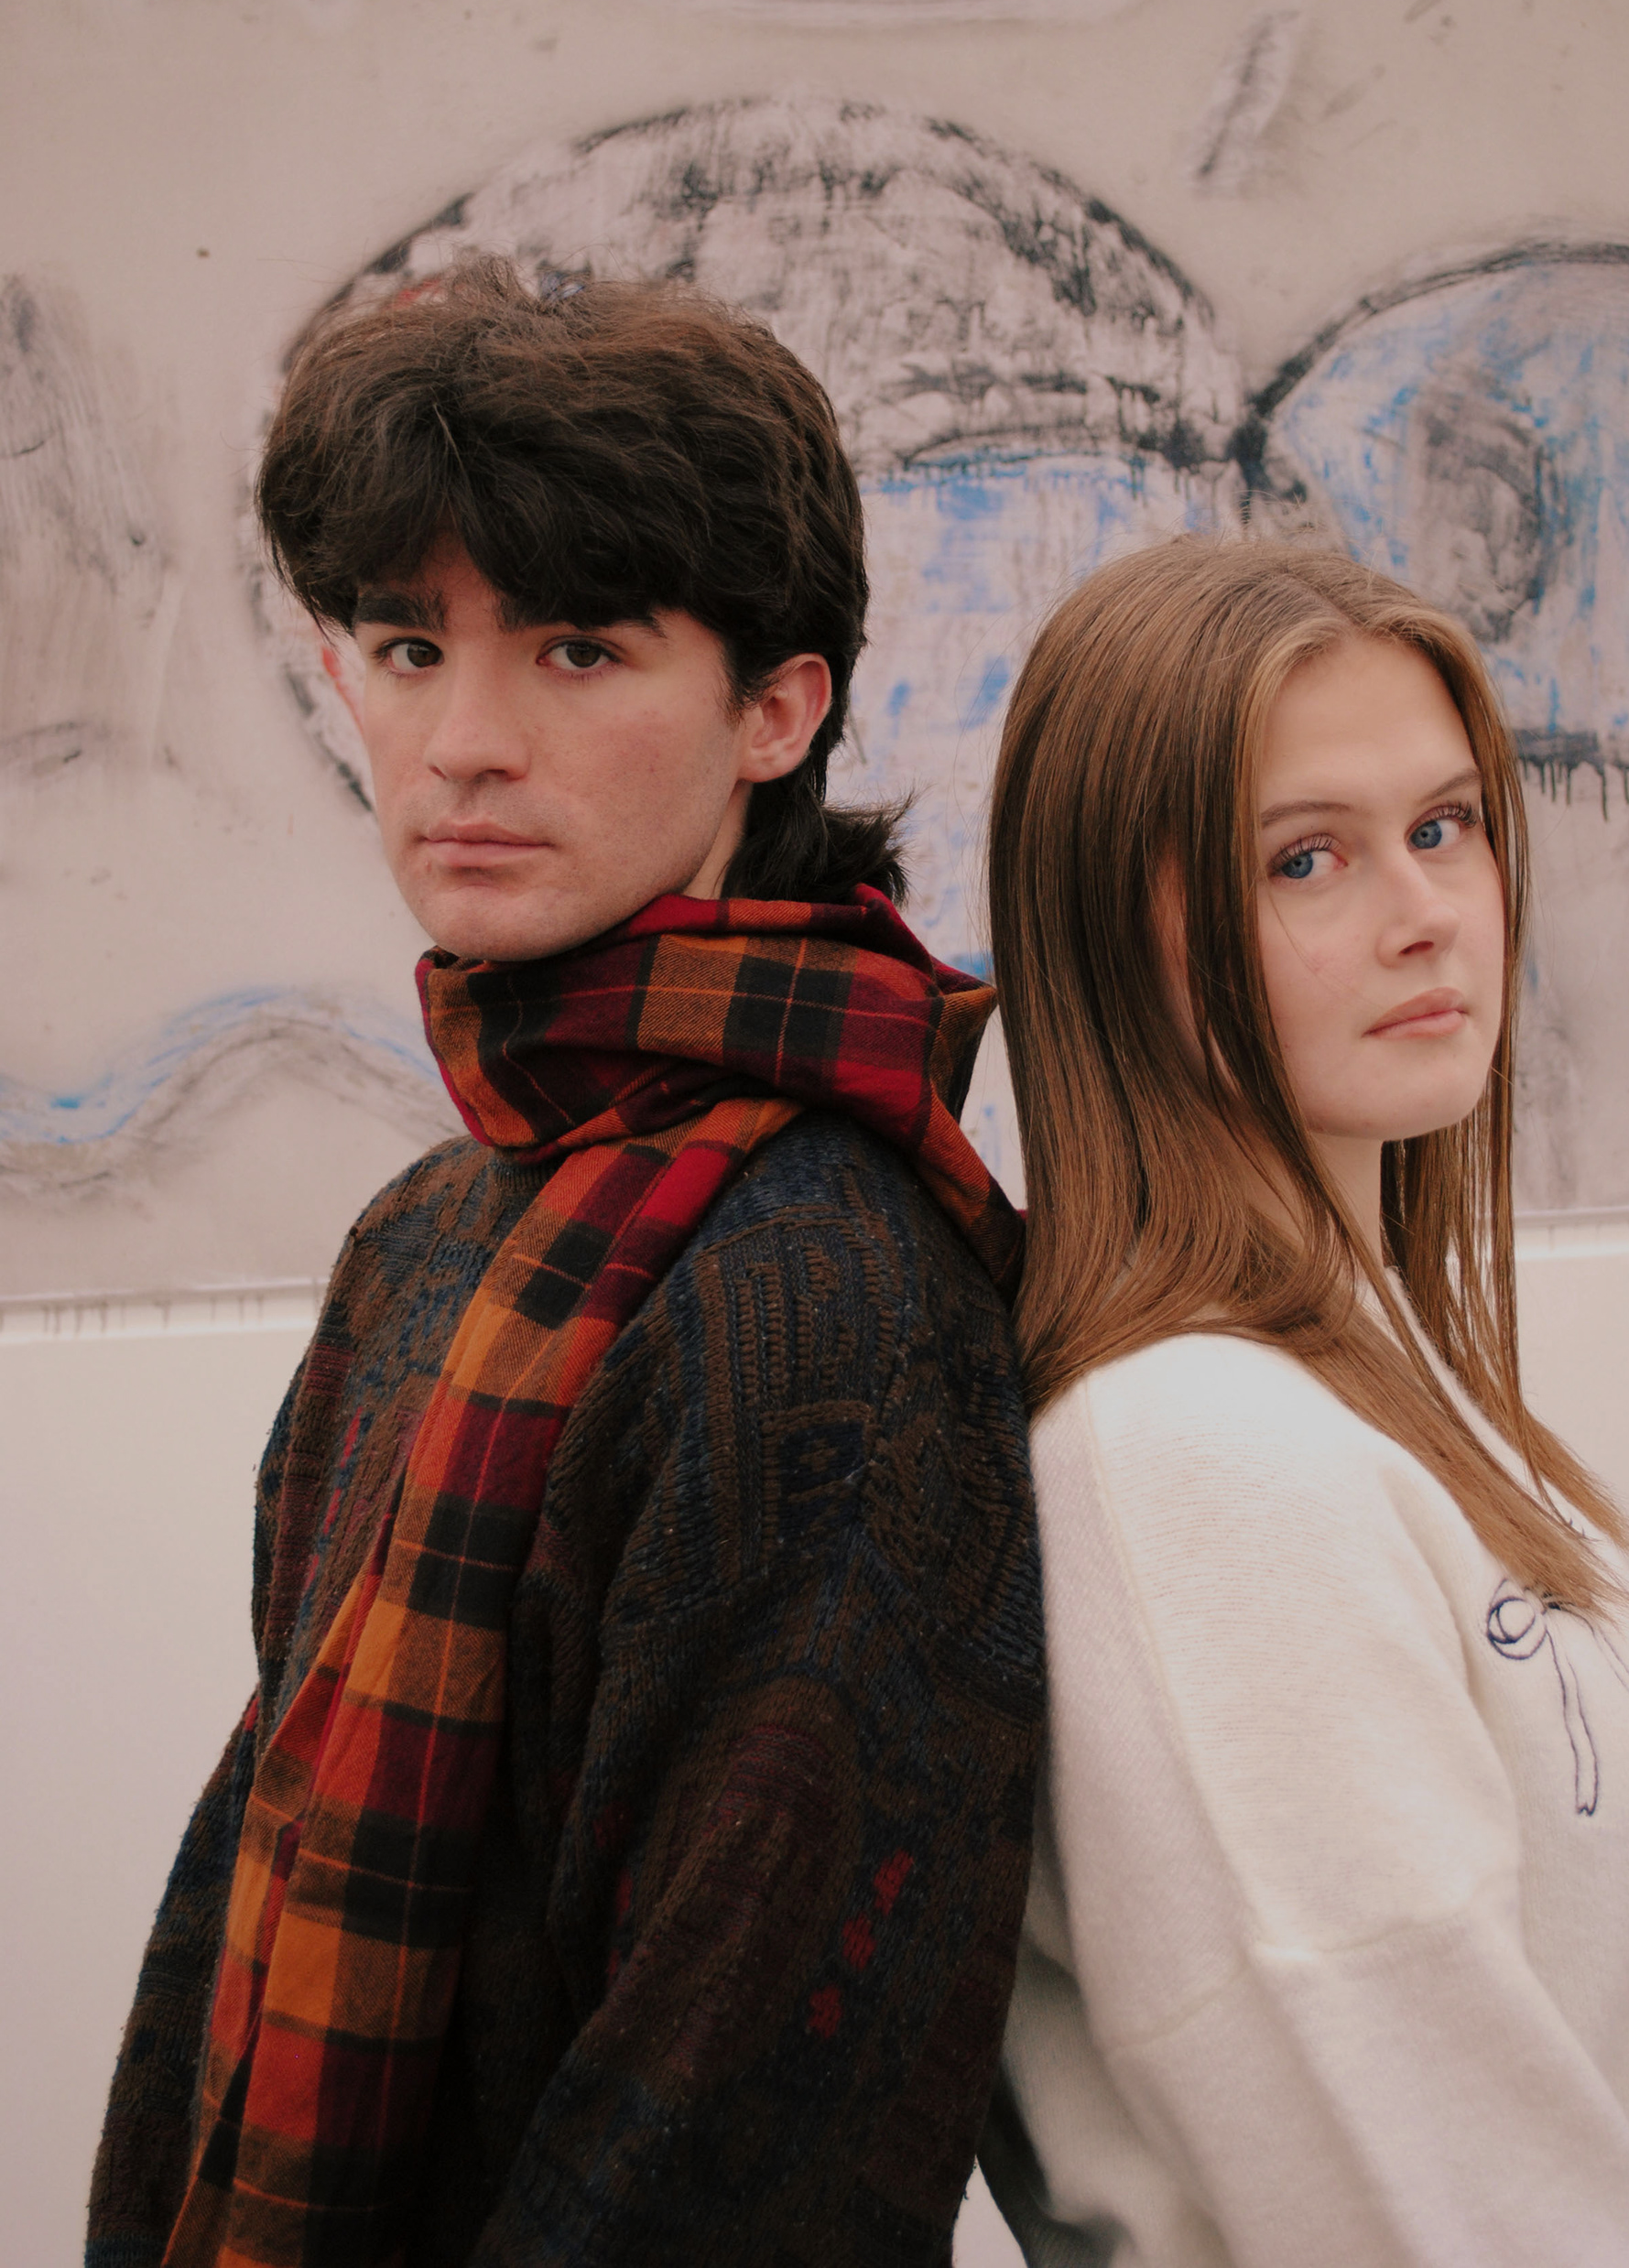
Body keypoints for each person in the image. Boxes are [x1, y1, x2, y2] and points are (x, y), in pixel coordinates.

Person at [87, 262, 1043, 2268]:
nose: (462, 743)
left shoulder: (832, 1291)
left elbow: (745, 2123)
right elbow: (251, 1873)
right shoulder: (441, 1227)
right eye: (407, 647)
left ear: (778, 707)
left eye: (580, 650)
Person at [979, 537, 1629, 2266]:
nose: (1425, 912)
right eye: (1305, 858)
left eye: (1445, 826)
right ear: (1113, 935)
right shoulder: (1191, 1459)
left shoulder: (1364, 1377)